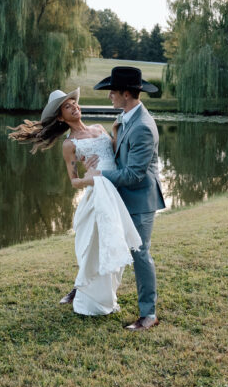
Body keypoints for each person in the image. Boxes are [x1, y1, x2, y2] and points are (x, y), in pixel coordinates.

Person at [9, 88, 142, 317]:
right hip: (96, 195)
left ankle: (94, 289)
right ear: (61, 117)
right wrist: (89, 177)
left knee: (113, 242)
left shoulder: (100, 129)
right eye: (67, 106)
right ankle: (86, 293)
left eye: (74, 103)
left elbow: (116, 156)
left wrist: (116, 131)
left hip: (115, 191)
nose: (74, 107)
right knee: (95, 247)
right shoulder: (69, 145)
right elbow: (74, 182)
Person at [84, 66, 166, 331]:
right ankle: (92, 293)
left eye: (113, 91)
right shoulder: (124, 118)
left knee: (140, 254)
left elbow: (134, 175)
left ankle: (149, 315)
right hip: (122, 197)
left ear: (127, 94)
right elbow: (118, 155)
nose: (109, 96)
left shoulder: (143, 127)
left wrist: (101, 176)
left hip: (140, 199)